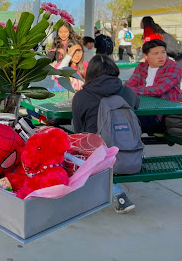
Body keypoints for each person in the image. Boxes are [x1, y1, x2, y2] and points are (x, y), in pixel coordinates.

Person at [72, 54, 139, 213]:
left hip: (95, 152)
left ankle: (116, 192)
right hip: (127, 151)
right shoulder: (127, 92)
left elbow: (79, 130)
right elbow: (136, 105)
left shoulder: (81, 96)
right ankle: (117, 193)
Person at [125, 39, 182, 134]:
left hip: (163, 116)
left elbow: (159, 89)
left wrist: (132, 90)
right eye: (155, 53)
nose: (161, 56)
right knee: (120, 120)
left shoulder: (174, 67)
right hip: (142, 110)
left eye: (163, 52)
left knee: (127, 125)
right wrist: (129, 90)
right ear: (145, 56)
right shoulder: (141, 67)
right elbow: (128, 86)